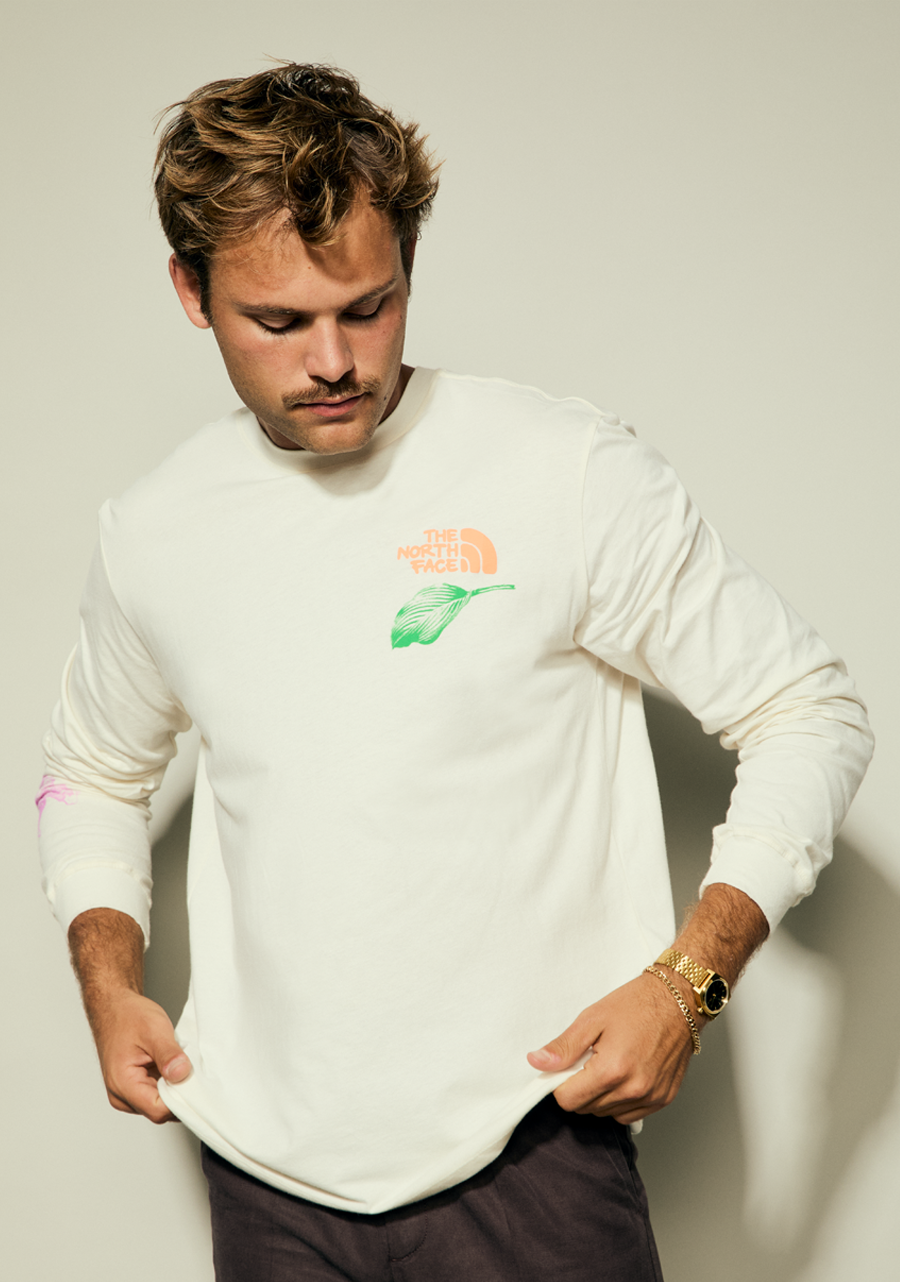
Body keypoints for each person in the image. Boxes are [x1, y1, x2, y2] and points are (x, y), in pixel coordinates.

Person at [37, 63, 873, 1281]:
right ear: (190, 291)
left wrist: (688, 982)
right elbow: (89, 774)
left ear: (409, 264)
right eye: (280, 322)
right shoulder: (154, 532)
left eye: (369, 307)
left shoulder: (561, 472)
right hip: (266, 1174)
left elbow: (810, 710)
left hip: (531, 1147)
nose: (335, 359)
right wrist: (109, 983)